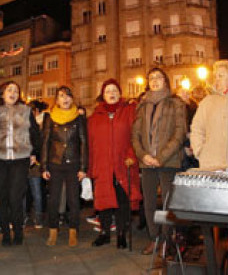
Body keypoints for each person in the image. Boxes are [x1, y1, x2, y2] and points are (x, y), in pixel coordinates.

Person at [131, 68, 188, 254]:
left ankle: (167, 239)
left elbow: (179, 134)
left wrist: (160, 157)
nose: (155, 81)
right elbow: (135, 135)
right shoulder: (143, 105)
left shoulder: (176, 103)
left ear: (166, 81)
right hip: (146, 162)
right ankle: (154, 238)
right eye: (151, 78)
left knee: (167, 202)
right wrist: (143, 155)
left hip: (168, 161)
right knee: (148, 202)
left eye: (159, 77)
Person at [88, 79, 141, 249]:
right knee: (103, 201)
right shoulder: (94, 117)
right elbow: (90, 144)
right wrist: (90, 169)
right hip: (102, 165)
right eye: (108, 91)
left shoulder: (130, 111)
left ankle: (121, 234)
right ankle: (104, 233)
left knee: (122, 201)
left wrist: (132, 155)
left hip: (123, 163)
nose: (111, 93)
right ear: (103, 95)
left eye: (114, 90)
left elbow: (136, 136)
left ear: (120, 93)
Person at [0, 81, 40, 246]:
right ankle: (5, 233)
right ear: (2, 92)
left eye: (16, 91)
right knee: (1, 198)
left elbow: (35, 132)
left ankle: (18, 232)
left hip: (20, 159)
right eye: (9, 90)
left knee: (16, 197)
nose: (13, 93)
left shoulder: (26, 111)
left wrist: (34, 153)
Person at [41, 86, 88, 247]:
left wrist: (83, 167)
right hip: (54, 164)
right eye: (61, 96)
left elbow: (83, 143)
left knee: (74, 200)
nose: (65, 99)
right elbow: (46, 142)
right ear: (57, 100)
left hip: (73, 164)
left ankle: (73, 231)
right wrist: (44, 167)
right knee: (53, 200)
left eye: (68, 96)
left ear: (72, 99)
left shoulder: (79, 118)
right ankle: (53, 231)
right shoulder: (50, 117)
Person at [26, 99, 48, 228]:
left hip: (35, 164)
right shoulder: (36, 126)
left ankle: (38, 217)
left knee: (36, 191)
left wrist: (35, 156)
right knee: (29, 192)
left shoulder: (38, 126)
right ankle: (29, 216)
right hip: (24, 163)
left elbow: (40, 145)